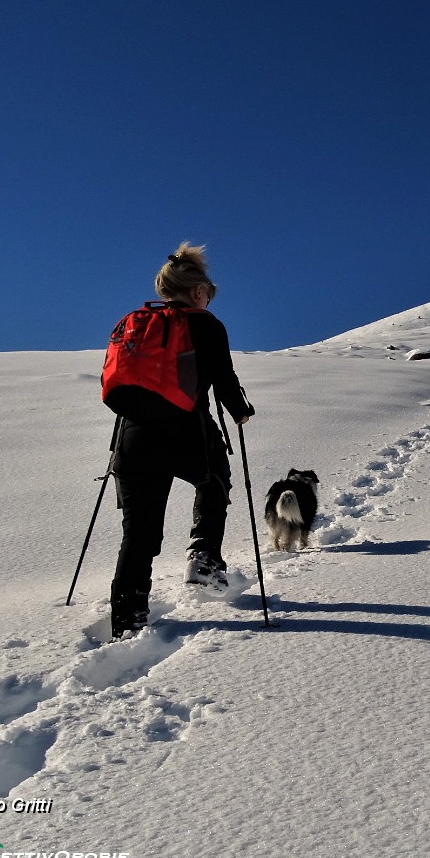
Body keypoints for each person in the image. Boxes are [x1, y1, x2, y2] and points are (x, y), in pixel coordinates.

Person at [109, 243, 253, 638]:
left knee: (138, 534)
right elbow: (223, 379)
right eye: (207, 292)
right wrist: (240, 409)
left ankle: (127, 620)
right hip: (188, 430)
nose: (209, 298)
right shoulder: (205, 324)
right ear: (195, 291)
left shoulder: (135, 322)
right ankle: (203, 557)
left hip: (133, 436)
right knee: (215, 480)